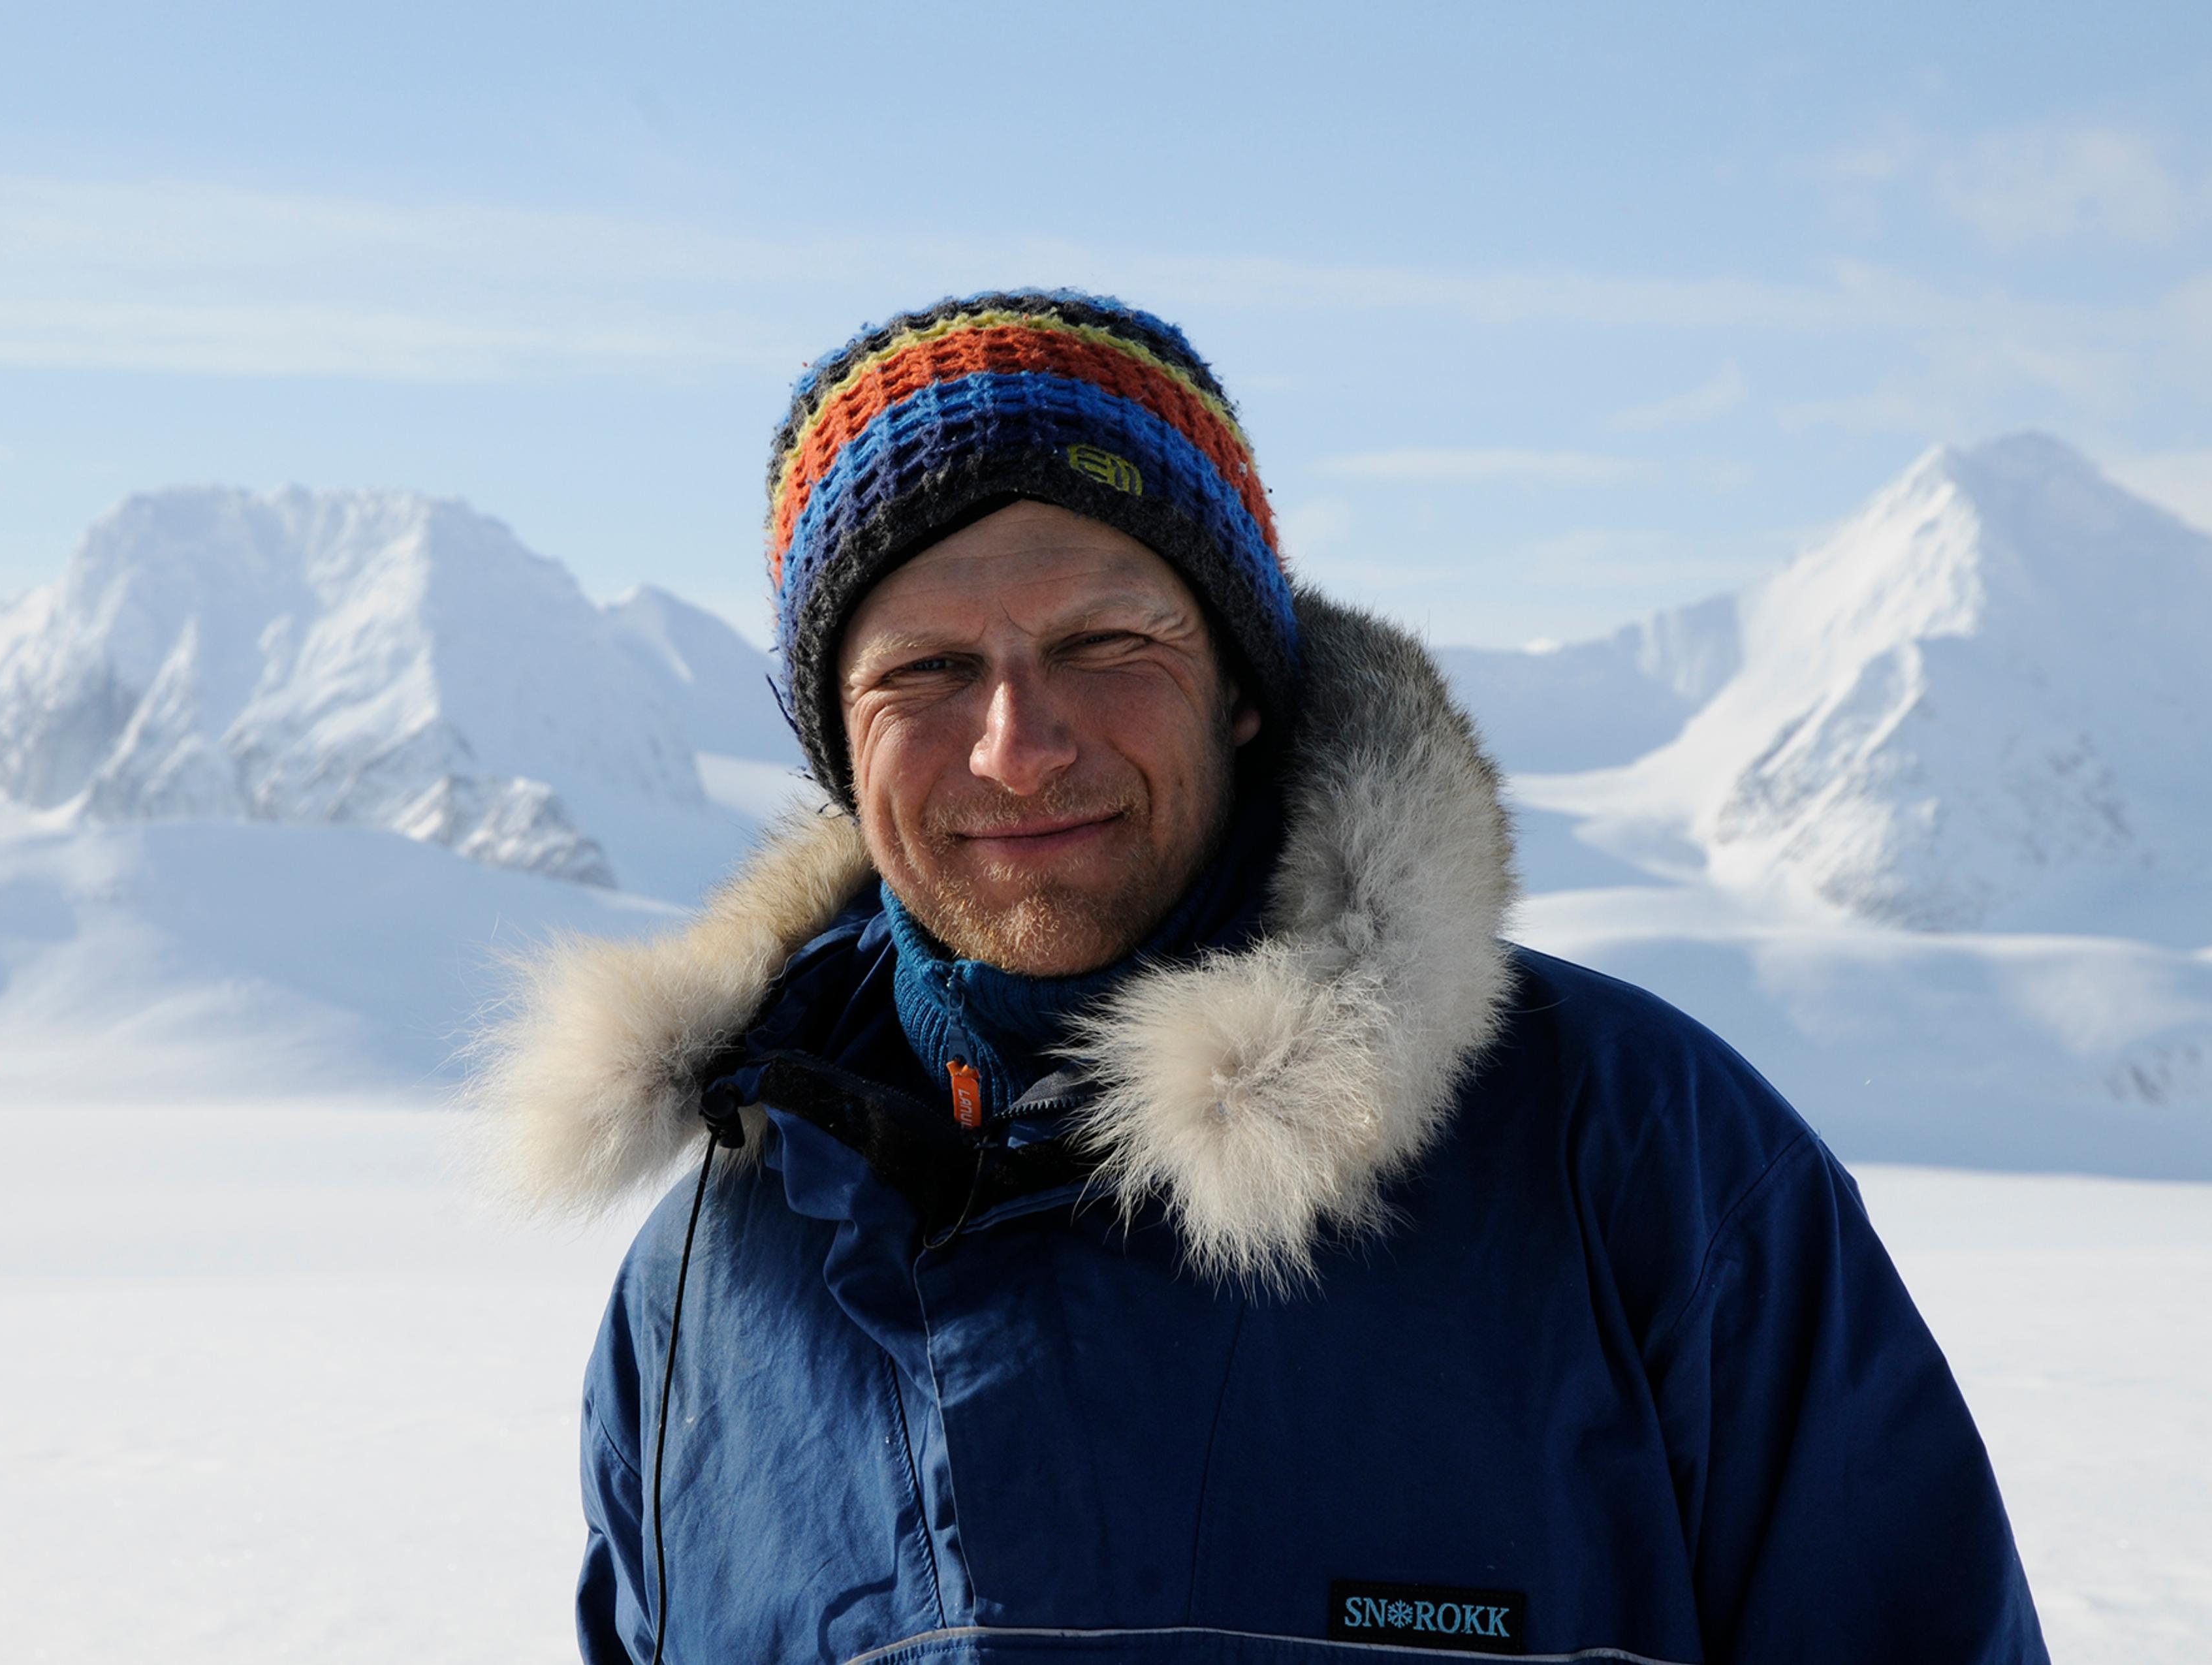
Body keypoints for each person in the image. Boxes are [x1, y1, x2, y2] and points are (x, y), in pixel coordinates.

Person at [475, 291, 2047, 1664]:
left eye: (1107, 644)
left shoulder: (1633, 1161)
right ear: (838, 747)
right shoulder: (708, 1282)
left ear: (1241, 690)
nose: (1019, 748)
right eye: (927, 673)